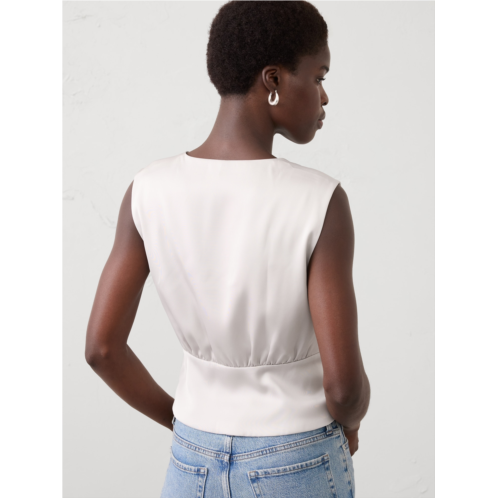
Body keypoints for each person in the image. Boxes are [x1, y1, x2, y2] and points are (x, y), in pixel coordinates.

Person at [85, 0, 370, 496]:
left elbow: (101, 349)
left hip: (191, 458)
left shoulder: (146, 191)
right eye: (318, 76)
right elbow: (343, 389)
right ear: (273, 79)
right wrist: (353, 421)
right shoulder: (321, 200)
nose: (324, 96)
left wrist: (183, 423)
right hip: (297, 456)